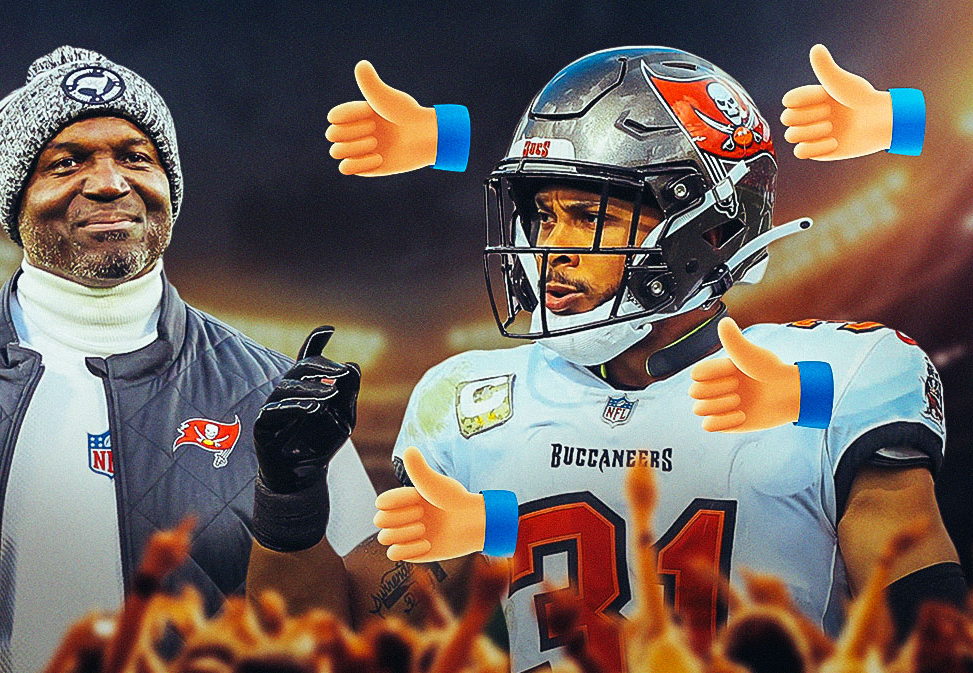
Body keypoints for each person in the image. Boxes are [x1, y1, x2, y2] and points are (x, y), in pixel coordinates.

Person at [248, 47, 964, 673]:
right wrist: (289, 497)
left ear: (711, 226)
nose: (551, 245)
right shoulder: (470, 398)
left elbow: (932, 634)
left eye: (590, 214)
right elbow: (324, 641)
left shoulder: (842, 376)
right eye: (544, 214)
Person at [0, 46, 376, 671]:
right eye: (66, 161)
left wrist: (296, 501)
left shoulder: (281, 394)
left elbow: (374, 624)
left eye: (136, 157)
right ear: (16, 197)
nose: (111, 182)